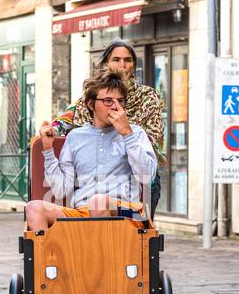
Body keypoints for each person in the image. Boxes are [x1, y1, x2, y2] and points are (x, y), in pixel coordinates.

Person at [26, 69, 157, 231]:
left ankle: (91, 254)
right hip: (83, 212)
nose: (116, 107)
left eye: (120, 101)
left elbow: (147, 176)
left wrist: (126, 134)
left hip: (127, 213)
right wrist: (48, 150)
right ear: (90, 104)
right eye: (108, 101)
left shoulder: (135, 133)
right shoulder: (75, 137)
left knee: (98, 203)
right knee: (34, 208)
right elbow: (61, 191)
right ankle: (51, 256)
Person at [52, 38, 164, 219]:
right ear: (106, 64)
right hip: (91, 169)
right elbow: (67, 119)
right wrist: (52, 133)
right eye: (116, 60)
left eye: (128, 60)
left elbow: (152, 137)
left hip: (133, 166)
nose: (122, 65)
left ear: (134, 65)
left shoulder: (147, 96)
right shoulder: (92, 96)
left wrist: (125, 133)